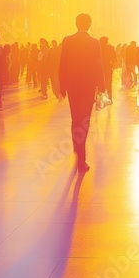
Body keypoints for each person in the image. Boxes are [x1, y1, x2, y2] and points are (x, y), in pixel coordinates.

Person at [58, 13, 105, 172]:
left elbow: (63, 63)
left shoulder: (68, 40)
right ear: (90, 24)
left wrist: (62, 85)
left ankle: (77, 147)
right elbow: (98, 65)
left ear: (76, 23)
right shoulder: (94, 42)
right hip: (88, 86)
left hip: (72, 85)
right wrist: (102, 86)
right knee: (84, 119)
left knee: (75, 118)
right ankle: (81, 158)